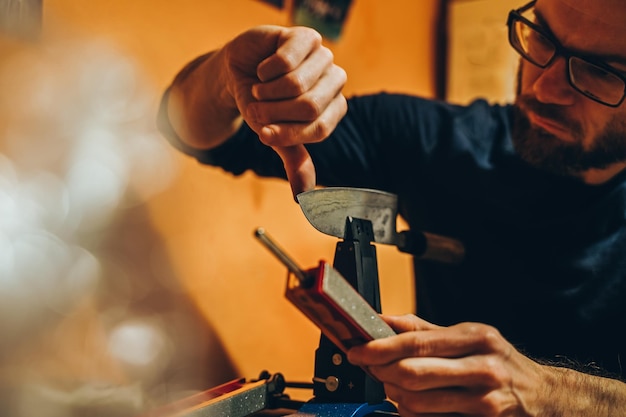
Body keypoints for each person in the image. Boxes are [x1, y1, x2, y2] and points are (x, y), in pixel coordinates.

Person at [157, 0, 626, 414]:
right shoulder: (439, 145)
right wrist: (227, 77)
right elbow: (200, 135)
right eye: (541, 38)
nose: (544, 87)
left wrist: (551, 393)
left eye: (598, 70)